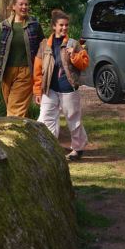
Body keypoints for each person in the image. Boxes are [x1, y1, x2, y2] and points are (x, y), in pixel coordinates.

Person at [32, 10, 90, 161]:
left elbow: (84, 63)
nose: (64, 28)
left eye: (66, 25)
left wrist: (74, 56)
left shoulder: (73, 44)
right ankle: (49, 148)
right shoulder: (44, 45)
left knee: (73, 119)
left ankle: (78, 149)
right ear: (53, 26)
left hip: (68, 88)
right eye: (61, 25)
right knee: (45, 118)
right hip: (49, 89)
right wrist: (37, 91)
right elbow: (38, 69)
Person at [0, 0, 45, 117]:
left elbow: (44, 46)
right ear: (13, 7)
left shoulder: (34, 25)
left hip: (26, 71)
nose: (24, 7)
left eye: (26, 4)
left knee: (16, 108)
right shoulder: (5, 26)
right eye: (21, 4)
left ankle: (12, 132)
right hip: (6, 72)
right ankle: (21, 130)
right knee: (11, 105)